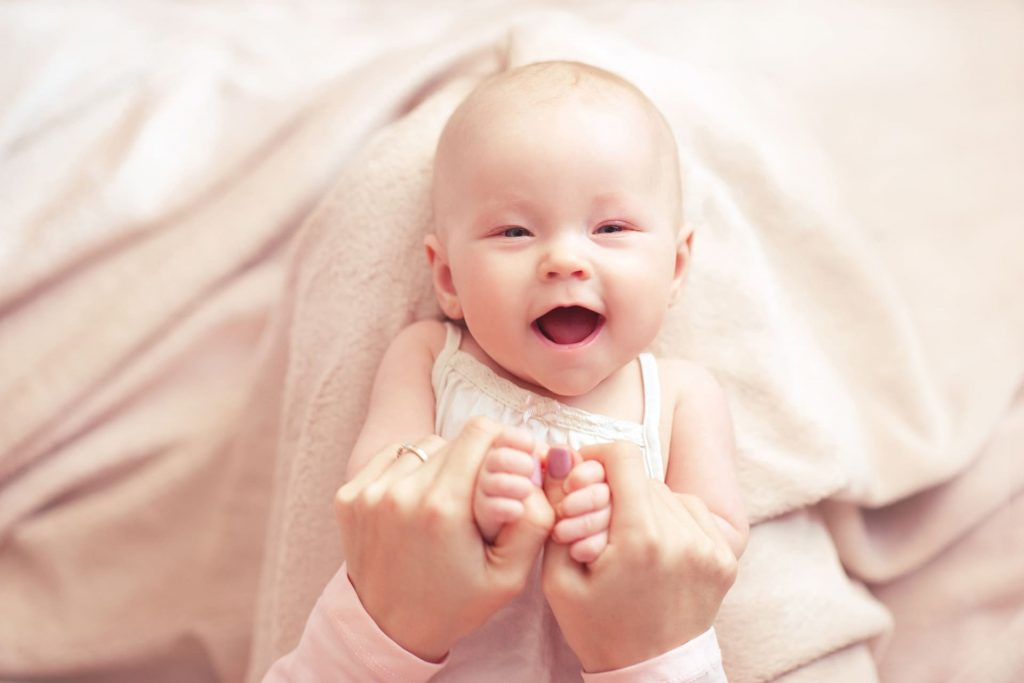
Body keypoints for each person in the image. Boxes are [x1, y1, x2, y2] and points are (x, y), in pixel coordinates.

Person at [264, 61, 746, 681]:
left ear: (676, 269)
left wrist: (623, 518)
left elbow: (718, 537)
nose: (565, 259)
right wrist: (468, 496)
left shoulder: (680, 395)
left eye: (611, 228)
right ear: (447, 279)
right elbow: (377, 488)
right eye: (514, 231)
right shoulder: (430, 357)